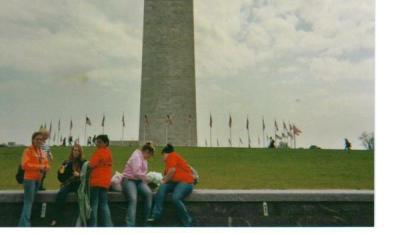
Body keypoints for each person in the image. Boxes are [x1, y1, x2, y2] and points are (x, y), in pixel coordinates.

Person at [147, 144, 194, 227]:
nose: (163, 158)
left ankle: (187, 221)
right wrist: (162, 182)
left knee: (176, 198)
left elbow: (172, 171)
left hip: (186, 182)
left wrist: (163, 180)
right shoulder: (169, 162)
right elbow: (168, 176)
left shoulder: (172, 156)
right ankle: (156, 215)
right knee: (162, 188)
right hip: (177, 183)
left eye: (163, 155)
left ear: (165, 153)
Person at [18, 132, 50, 227]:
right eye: (37, 139)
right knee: (28, 202)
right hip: (29, 180)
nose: (39, 141)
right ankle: (25, 226)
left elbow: (47, 163)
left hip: (38, 180)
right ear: (33, 140)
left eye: (41, 139)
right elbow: (25, 165)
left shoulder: (43, 152)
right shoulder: (27, 151)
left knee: (30, 202)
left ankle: (22, 225)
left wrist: (47, 167)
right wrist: (40, 167)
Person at [50, 144, 86, 226]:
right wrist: (60, 171)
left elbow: (87, 176)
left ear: (80, 152)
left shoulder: (84, 162)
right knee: (61, 194)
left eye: (77, 150)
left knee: (81, 197)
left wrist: (79, 175)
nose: (75, 152)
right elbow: (61, 178)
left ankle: (82, 218)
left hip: (78, 184)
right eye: (74, 150)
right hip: (69, 184)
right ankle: (55, 218)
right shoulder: (67, 162)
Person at [121, 142, 155, 226]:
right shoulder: (136, 156)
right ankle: (130, 225)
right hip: (129, 180)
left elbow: (143, 173)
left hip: (139, 181)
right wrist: (147, 178)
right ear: (146, 151)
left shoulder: (144, 159)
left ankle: (145, 222)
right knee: (133, 199)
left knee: (149, 194)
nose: (149, 157)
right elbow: (136, 172)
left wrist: (146, 180)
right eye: (149, 155)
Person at [88, 134, 113, 227]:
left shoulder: (98, 152)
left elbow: (91, 164)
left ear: (105, 143)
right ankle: (109, 225)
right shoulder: (109, 152)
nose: (97, 144)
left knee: (94, 205)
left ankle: (93, 226)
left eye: (99, 142)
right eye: (97, 142)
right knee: (104, 205)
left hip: (96, 181)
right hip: (105, 182)